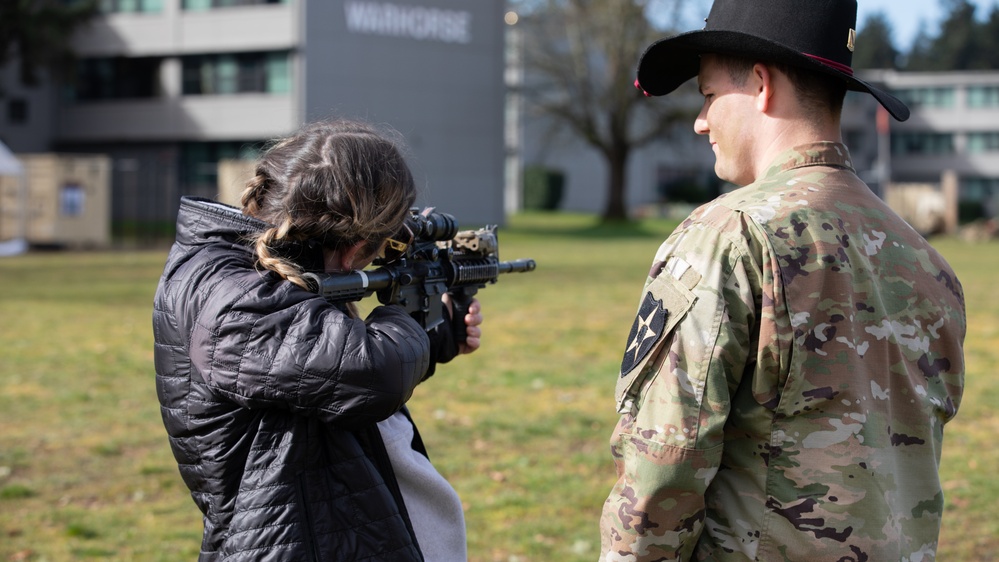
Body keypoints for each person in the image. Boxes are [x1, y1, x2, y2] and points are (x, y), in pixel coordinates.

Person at [599, 0, 966, 560]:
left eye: (708, 95)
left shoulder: (729, 234)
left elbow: (662, 469)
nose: (700, 121)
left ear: (763, 86)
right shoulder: (928, 263)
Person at [153, 118, 480, 561]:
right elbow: (371, 370)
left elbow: (325, 372)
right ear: (352, 248)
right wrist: (407, 317)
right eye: (377, 247)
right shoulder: (232, 294)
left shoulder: (261, 278)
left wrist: (438, 331)